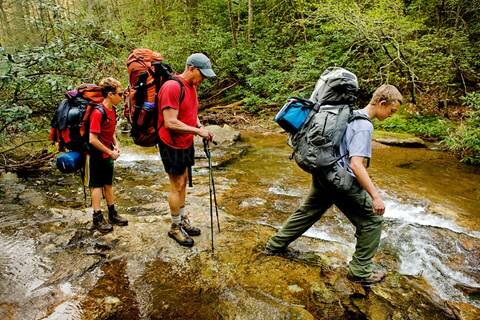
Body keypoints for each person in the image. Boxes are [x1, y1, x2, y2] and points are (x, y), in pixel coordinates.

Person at [265, 84, 403, 284]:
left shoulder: (349, 114)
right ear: (382, 103)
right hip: (340, 181)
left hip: (323, 173)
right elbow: (356, 165)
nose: (391, 114)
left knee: (309, 210)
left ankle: (274, 245)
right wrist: (375, 196)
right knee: (372, 220)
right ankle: (361, 271)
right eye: (392, 110)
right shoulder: (364, 126)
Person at [157, 53, 215, 247]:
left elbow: (191, 113)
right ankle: (174, 227)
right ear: (191, 68)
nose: (203, 79)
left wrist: (199, 126)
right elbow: (170, 122)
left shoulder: (192, 87)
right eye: (202, 75)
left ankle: (181, 220)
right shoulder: (172, 87)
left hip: (185, 141)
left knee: (184, 181)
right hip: (171, 142)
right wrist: (198, 131)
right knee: (176, 184)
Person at [84, 77, 128, 233]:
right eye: (120, 93)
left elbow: (110, 130)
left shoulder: (112, 110)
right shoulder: (98, 112)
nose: (121, 97)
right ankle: (97, 217)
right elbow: (92, 139)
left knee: (108, 184)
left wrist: (116, 144)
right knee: (96, 186)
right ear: (110, 94)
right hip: (96, 155)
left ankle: (112, 214)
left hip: (107, 154)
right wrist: (110, 151)